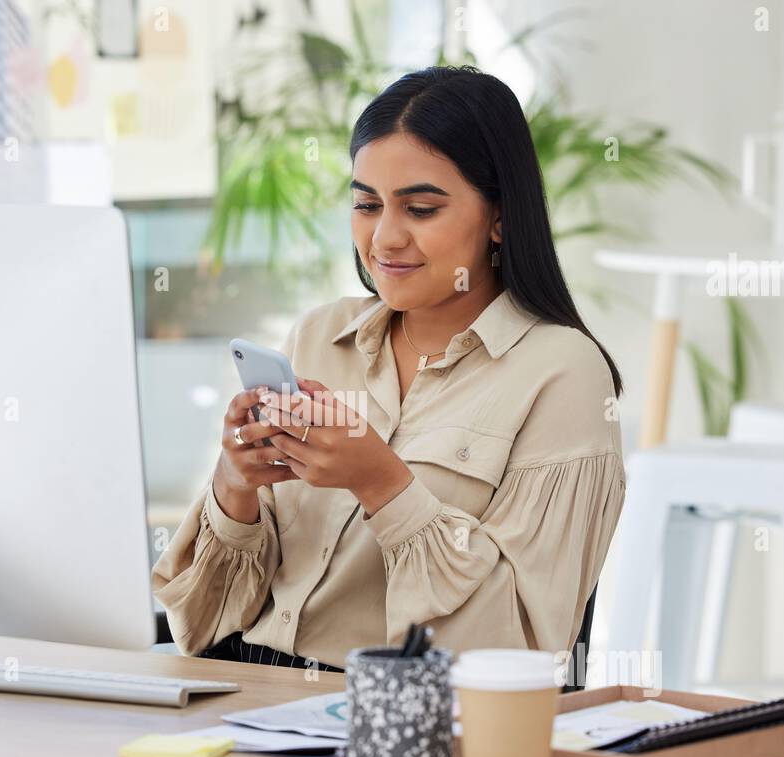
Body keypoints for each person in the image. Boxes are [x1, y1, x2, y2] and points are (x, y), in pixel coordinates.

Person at [152, 66, 626, 672]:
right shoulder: (320, 337)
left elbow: (520, 653)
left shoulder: (561, 374)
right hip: (247, 697)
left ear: (501, 216)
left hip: (399, 721)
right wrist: (235, 485)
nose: (384, 239)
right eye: (366, 205)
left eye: (421, 209)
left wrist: (382, 484)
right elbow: (198, 626)